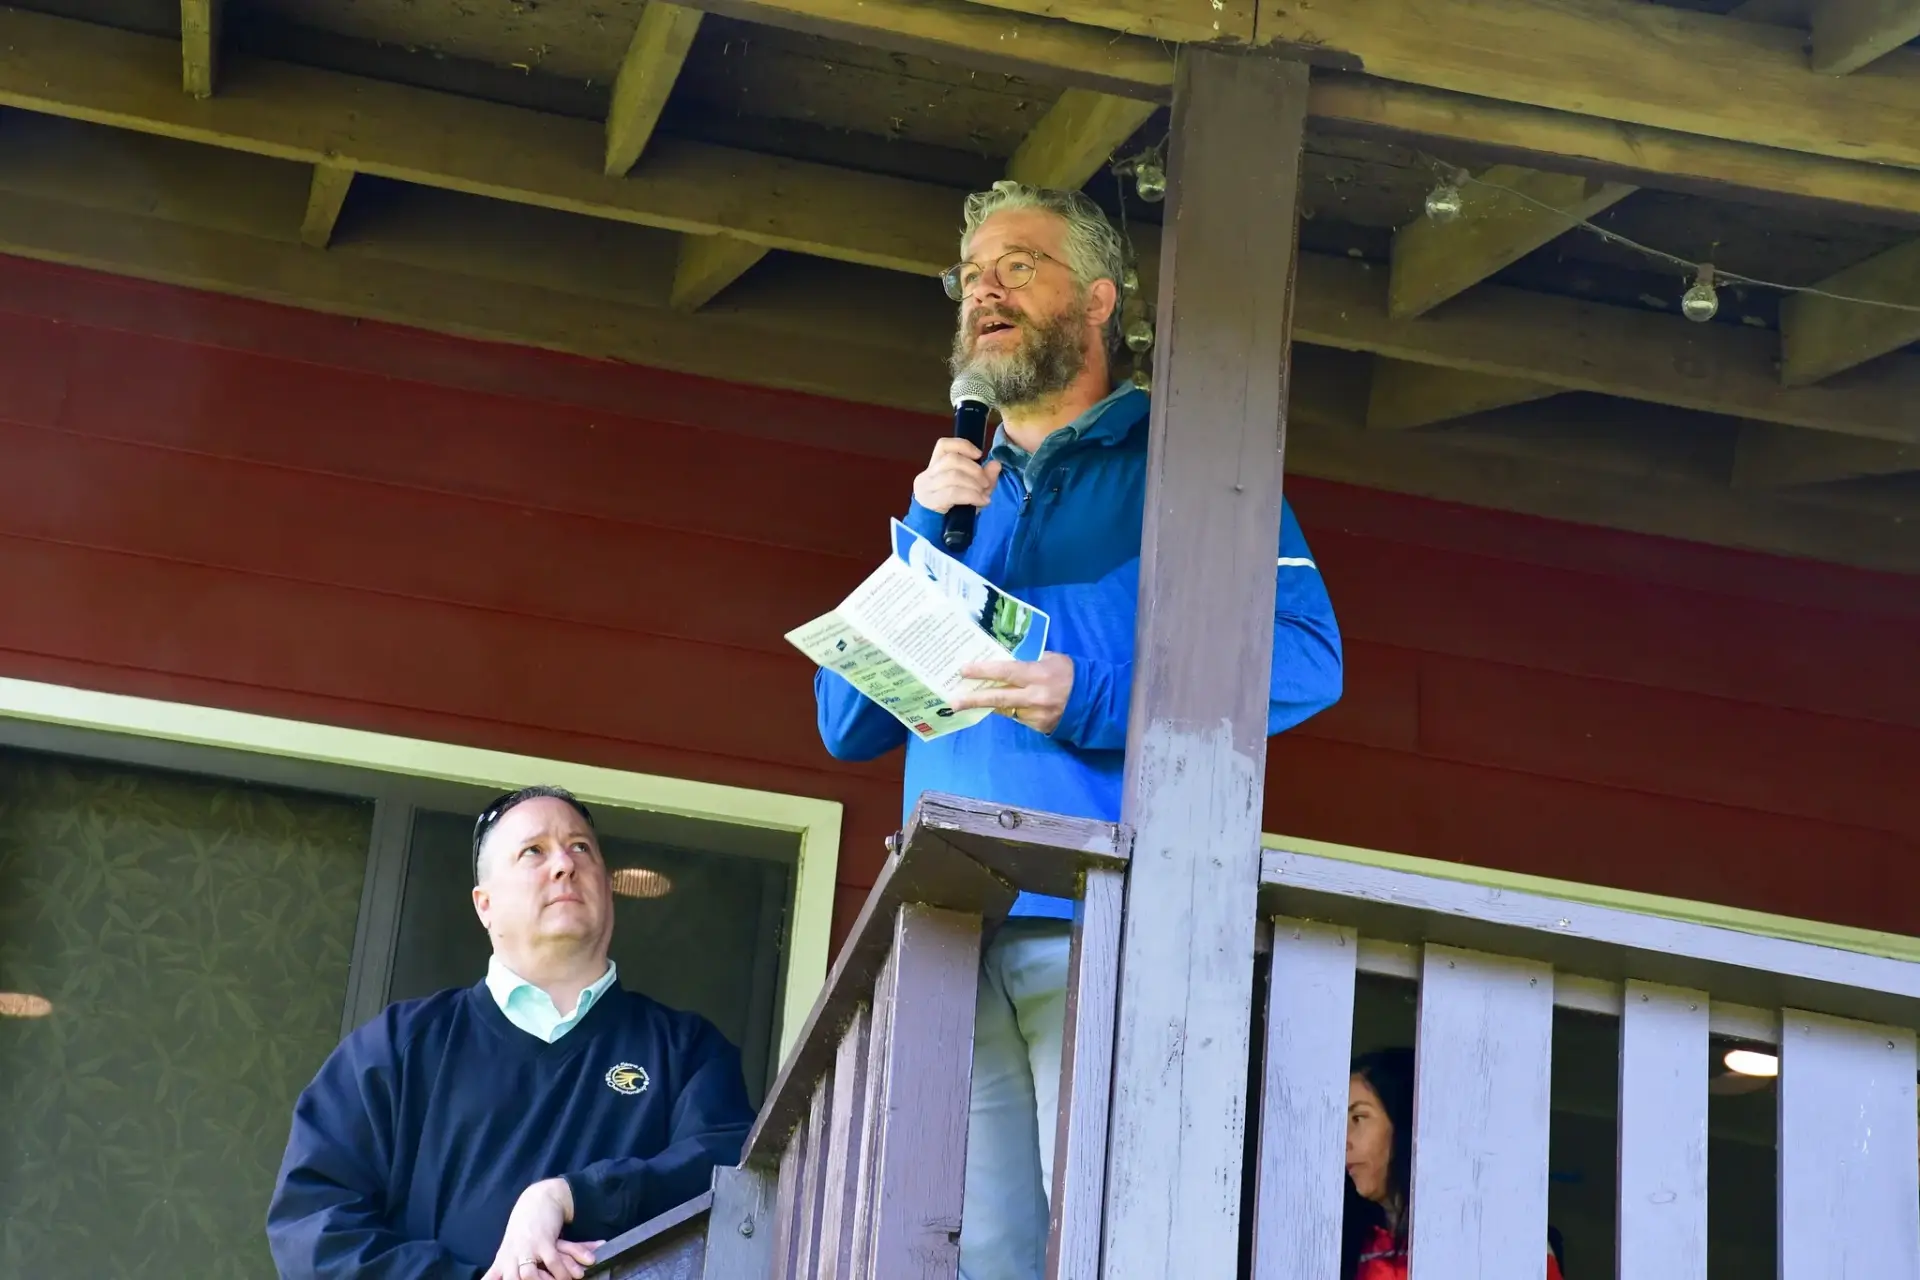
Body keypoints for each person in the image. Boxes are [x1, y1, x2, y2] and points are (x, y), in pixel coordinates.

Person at [812, 180, 1344, 1280]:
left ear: (1099, 299)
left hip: (1102, 919)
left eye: (1018, 265)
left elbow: (1306, 658)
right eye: (971, 274)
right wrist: (925, 525)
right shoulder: (956, 491)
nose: (985, 291)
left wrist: (1091, 685)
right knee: (979, 1252)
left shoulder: (1191, 459)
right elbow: (847, 719)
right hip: (952, 926)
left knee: (1123, 1238)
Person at [267, 786, 755, 1280]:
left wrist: (569, 1197)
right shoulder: (396, 1049)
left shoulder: (686, 1050)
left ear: (608, 888)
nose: (564, 864)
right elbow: (314, 1230)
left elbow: (732, 1178)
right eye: (533, 852)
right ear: (486, 905)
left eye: (580, 847)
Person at [1344, 1048, 1566, 1279]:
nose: (1344, 1140)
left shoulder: (1505, 1235)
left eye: (1358, 1118)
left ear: (1408, 1121)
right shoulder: (1350, 1241)